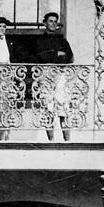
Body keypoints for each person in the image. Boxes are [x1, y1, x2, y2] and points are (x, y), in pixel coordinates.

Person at [30, 11, 75, 142]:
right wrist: (58, 54)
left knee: (63, 106)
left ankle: (67, 141)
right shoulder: (39, 40)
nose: (53, 24)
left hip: (60, 74)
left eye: (55, 21)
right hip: (45, 74)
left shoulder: (62, 41)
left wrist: (54, 54)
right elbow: (42, 56)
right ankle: (51, 141)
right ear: (45, 23)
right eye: (50, 21)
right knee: (48, 106)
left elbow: (70, 57)